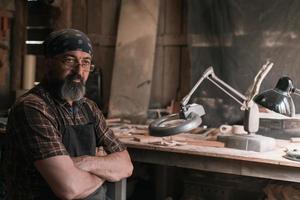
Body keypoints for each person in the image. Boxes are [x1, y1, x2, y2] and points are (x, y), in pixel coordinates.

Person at [1, 29, 133, 200]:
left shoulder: (88, 107)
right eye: (69, 60)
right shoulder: (32, 108)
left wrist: (84, 162)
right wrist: (104, 172)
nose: (79, 71)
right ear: (48, 64)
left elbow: (126, 166)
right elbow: (69, 188)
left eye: (86, 62)